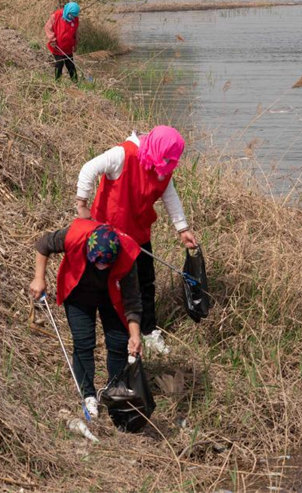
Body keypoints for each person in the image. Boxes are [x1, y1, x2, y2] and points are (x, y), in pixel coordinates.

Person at [76, 125, 198, 355]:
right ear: (154, 148)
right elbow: (89, 168)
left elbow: (169, 195)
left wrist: (182, 228)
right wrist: (82, 202)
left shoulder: (163, 165)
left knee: (145, 282)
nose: (164, 166)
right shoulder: (122, 155)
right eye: (163, 160)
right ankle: (113, 331)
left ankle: (149, 331)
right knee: (110, 283)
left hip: (139, 232)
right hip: (109, 234)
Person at [29, 220, 143, 418]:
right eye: (96, 262)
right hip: (78, 294)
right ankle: (88, 394)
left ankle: (114, 388)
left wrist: (135, 336)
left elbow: (132, 301)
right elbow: (43, 244)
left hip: (111, 296)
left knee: (118, 342)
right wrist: (39, 278)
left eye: (105, 264)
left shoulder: (126, 256)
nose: (100, 266)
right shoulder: (74, 236)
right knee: (83, 342)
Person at [44, 2, 80, 81]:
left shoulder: (75, 19)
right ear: (68, 11)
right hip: (57, 46)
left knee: (70, 65)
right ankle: (57, 82)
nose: (72, 18)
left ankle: (75, 82)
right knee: (59, 64)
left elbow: (76, 32)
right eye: (71, 15)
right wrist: (52, 39)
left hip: (68, 47)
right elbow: (48, 28)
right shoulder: (56, 15)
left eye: (74, 16)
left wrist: (75, 44)